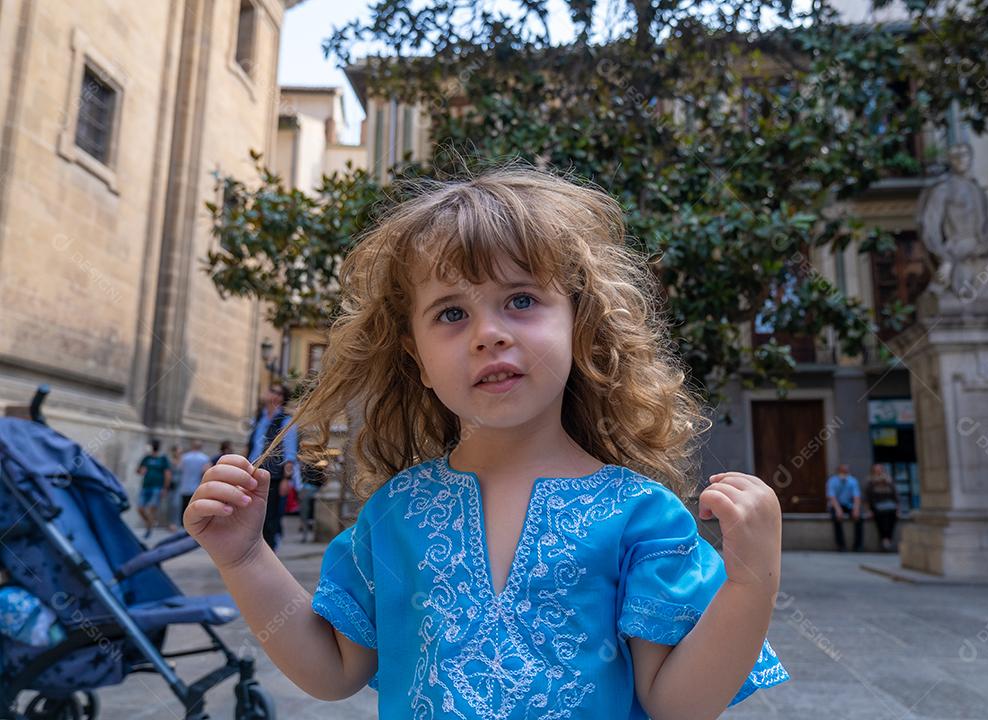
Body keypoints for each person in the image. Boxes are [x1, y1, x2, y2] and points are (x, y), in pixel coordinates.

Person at [183, 165, 790, 717]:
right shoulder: (396, 512)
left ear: (580, 328)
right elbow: (333, 670)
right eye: (451, 313)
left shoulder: (641, 516)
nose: (488, 334)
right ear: (417, 359)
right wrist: (243, 558)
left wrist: (750, 583)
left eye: (521, 300)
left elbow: (678, 704)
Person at [245, 383, 298, 551]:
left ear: (283, 399)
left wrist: (286, 478)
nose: (273, 395)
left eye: (278, 393)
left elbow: (289, 453)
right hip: (252, 472)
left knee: (270, 516)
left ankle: (269, 549)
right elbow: (251, 446)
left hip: (273, 476)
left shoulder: (286, 421)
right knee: (251, 515)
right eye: (271, 390)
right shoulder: (259, 418)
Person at [136, 439, 171, 539]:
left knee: (152, 508)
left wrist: (165, 488)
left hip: (157, 487)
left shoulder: (163, 459)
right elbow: (138, 470)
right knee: (140, 508)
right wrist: (141, 470)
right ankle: (149, 522)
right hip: (146, 486)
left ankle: (148, 529)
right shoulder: (146, 458)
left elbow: (167, 474)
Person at [826, 463, 863, 552]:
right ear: (838, 471)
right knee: (836, 518)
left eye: (846, 470)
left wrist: (856, 509)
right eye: (842, 470)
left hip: (849, 505)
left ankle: (858, 546)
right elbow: (832, 497)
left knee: (859, 518)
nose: (844, 472)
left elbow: (856, 496)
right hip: (836, 505)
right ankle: (841, 545)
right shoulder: (832, 481)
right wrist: (838, 510)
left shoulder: (853, 481)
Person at [866, 463, 901, 552]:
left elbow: (895, 496)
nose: (878, 471)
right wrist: (869, 510)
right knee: (881, 519)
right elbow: (868, 497)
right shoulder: (870, 482)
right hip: (876, 507)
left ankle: (888, 538)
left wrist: (898, 509)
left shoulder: (889, 481)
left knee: (892, 517)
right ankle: (884, 539)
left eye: (880, 469)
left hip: (890, 506)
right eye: (876, 470)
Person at [177, 440, 211, 528]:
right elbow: (206, 471)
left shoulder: (185, 457)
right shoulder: (204, 458)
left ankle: (182, 526)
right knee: (193, 509)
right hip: (196, 488)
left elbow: (179, 468)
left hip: (185, 487)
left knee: (184, 509)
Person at [297, 457, 327, 543]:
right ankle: (305, 529)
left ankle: (306, 528)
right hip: (308, 489)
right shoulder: (307, 462)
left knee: (305, 510)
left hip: (314, 489)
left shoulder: (321, 461)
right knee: (305, 510)